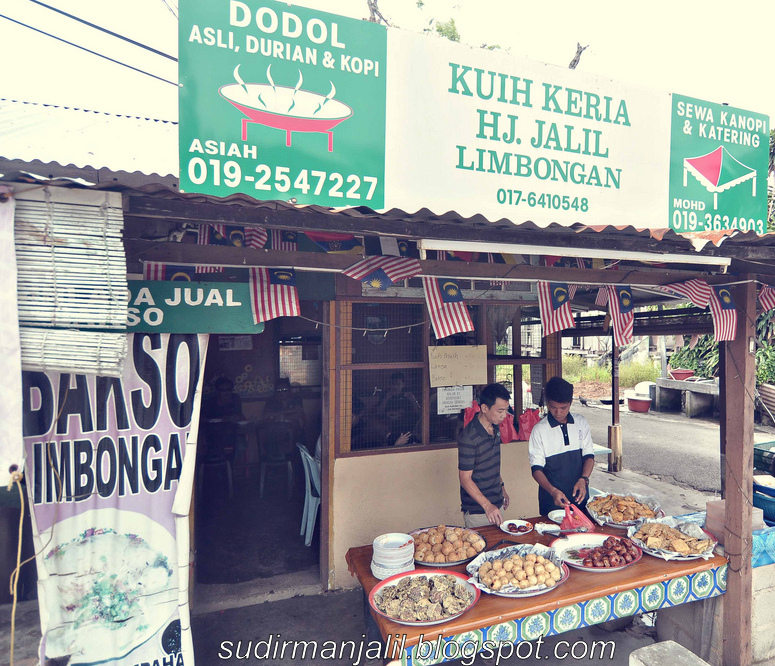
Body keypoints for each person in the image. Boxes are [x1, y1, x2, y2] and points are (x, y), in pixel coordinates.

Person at [528, 377, 595, 516]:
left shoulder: (581, 423)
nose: (558, 412)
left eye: (563, 407)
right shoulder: (539, 430)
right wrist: (553, 491)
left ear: (570, 403)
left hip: (580, 498)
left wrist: (584, 479)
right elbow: (536, 469)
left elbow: (589, 456)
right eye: (553, 407)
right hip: (552, 501)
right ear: (547, 404)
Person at [458, 383, 512, 527]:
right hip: (478, 511)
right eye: (500, 411)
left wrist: (502, 488)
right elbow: (465, 479)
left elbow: (491, 464)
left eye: (506, 410)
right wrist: (487, 506)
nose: (504, 416)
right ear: (484, 408)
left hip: (496, 505)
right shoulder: (469, 437)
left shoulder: (495, 427)